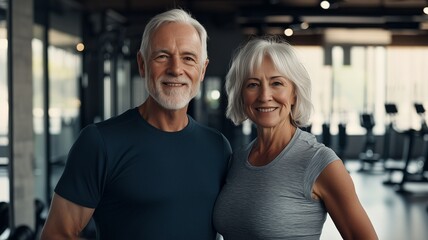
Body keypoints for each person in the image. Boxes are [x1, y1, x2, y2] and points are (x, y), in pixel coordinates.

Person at [41, 8, 232, 240]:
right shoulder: (99, 142)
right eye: (162, 56)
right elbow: (56, 234)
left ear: (202, 70)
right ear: (142, 64)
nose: (176, 69)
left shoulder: (218, 147)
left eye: (188, 58)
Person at [213, 36, 378, 240]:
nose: (265, 95)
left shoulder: (320, 162)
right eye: (253, 84)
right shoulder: (236, 160)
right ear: (241, 95)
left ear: (294, 94)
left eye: (276, 83)